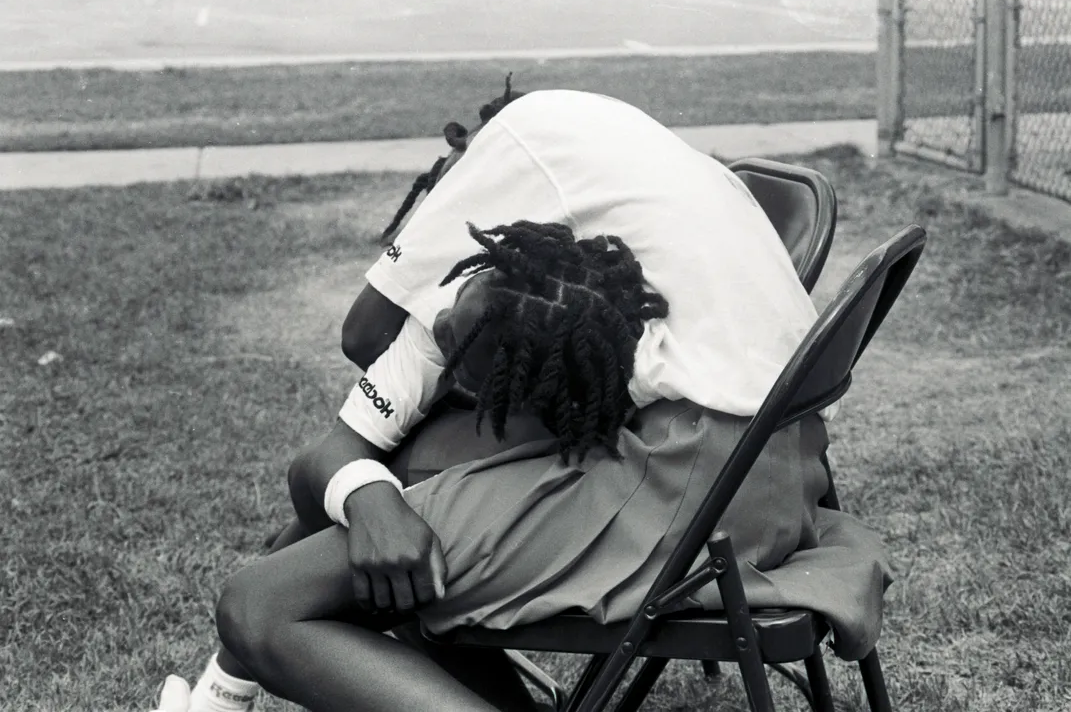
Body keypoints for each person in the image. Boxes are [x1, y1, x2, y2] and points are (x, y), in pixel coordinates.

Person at [160, 80, 855, 712]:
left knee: (258, 605)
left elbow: (360, 331)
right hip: (781, 460)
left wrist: (423, 346)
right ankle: (225, 689)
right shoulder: (598, 189)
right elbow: (336, 454)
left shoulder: (517, 155)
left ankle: (225, 684)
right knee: (402, 487)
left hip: (690, 482)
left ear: (464, 165)